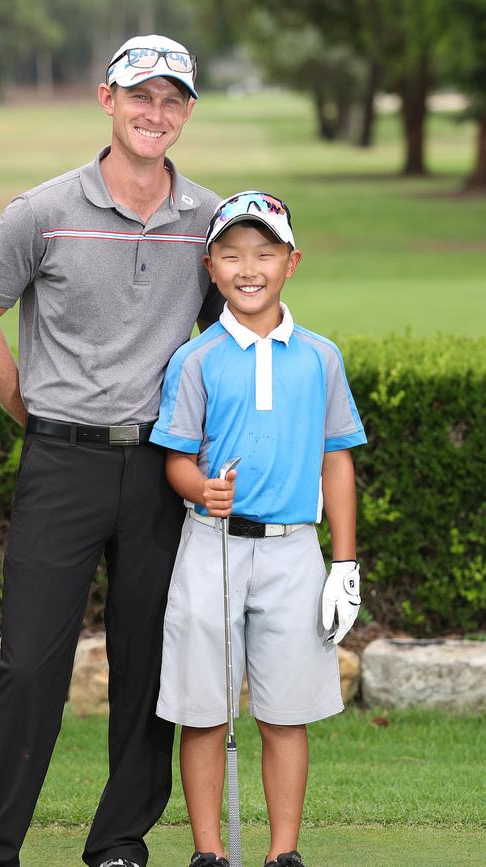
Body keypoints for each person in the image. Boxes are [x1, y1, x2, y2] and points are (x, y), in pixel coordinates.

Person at [0, 35, 224, 867]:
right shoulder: (42, 209)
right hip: (61, 464)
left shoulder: (210, 220)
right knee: (28, 661)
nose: (156, 113)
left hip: (157, 471)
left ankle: (119, 842)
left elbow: (230, 332)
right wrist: (34, 414)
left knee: (148, 666)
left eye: (173, 99)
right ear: (107, 100)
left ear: (187, 113)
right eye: (141, 96)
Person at [149, 191, 367, 867]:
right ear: (210, 266)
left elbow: (337, 461)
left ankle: (282, 853)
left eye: (266, 252)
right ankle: (210, 852)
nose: (250, 267)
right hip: (210, 545)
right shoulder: (196, 359)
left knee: (284, 711)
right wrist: (201, 487)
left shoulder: (320, 357)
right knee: (205, 707)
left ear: (291, 262)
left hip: (294, 550)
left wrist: (345, 563)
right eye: (233, 253)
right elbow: (177, 460)